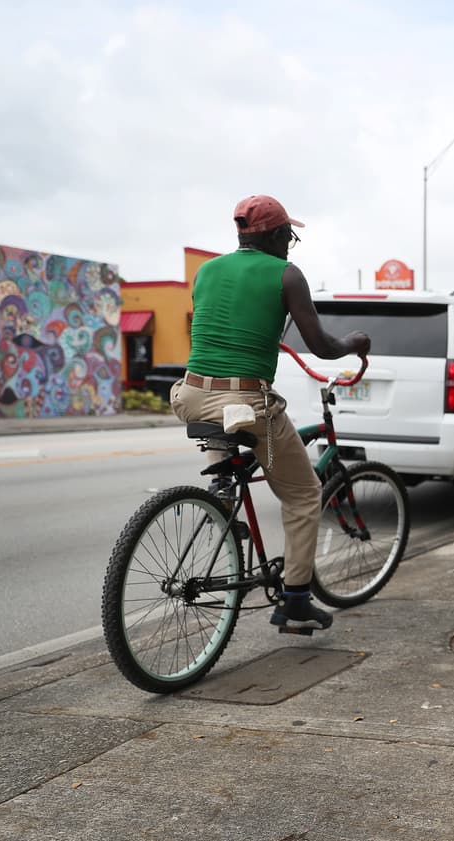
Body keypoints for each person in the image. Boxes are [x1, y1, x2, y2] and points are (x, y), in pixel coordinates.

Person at [170, 194, 370, 633]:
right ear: (278, 235)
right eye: (290, 236)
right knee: (302, 495)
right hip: (242, 401)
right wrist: (355, 342)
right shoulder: (287, 274)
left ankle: (223, 500)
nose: (290, 244)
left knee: (228, 433)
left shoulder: (206, 271)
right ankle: (296, 602)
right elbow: (322, 346)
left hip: (190, 394)